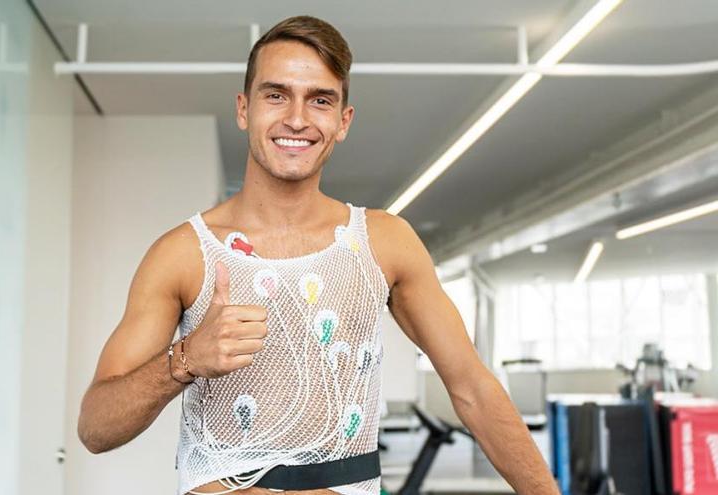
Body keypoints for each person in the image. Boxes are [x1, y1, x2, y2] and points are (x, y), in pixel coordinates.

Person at [77, 15, 558, 495]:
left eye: (320, 100)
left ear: (343, 121)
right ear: (244, 109)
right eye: (276, 95)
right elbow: (96, 428)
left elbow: (472, 390)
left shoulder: (384, 241)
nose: (297, 119)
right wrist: (184, 359)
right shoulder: (183, 254)